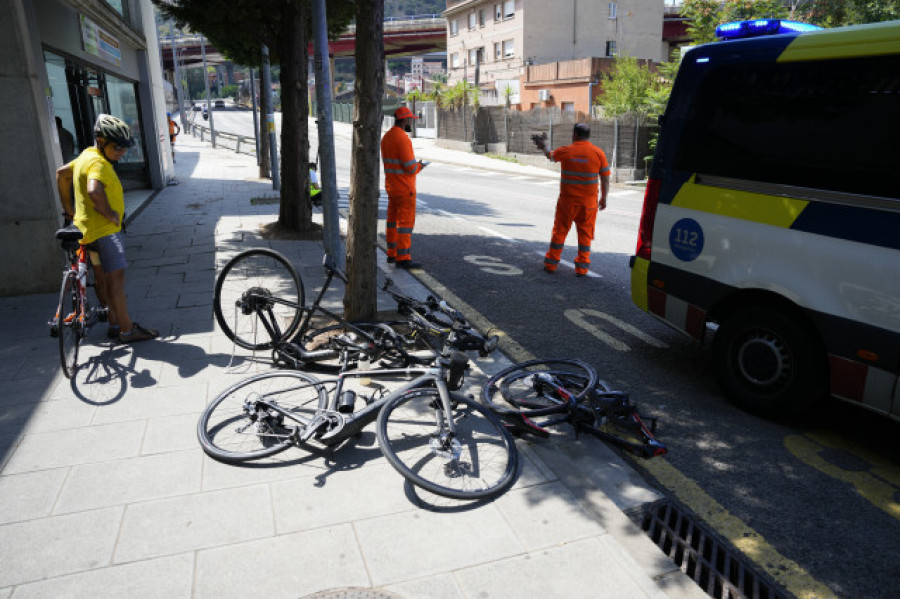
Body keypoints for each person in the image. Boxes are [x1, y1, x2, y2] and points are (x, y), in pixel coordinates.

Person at [55, 114, 159, 343]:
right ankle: (127, 330)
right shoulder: (99, 163)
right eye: (118, 147)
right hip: (105, 232)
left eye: (125, 147)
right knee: (116, 282)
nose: (122, 152)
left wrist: (68, 210)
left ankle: (113, 322)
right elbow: (94, 190)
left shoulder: (86, 155)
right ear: (101, 142)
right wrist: (110, 213)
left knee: (101, 280)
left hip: (85, 230)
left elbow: (62, 174)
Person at [532, 123, 610, 277]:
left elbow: (550, 155)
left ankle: (551, 264)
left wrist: (542, 145)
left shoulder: (566, 151)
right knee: (585, 235)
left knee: (560, 232)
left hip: (567, 203)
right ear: (588, 135)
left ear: (575, 134)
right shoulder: (598, 153)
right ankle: (582, 268)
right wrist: (603, 198)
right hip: (588, 205)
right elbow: (606, 179)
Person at [380, 106, 428, 269]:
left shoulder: (386, 137)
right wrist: (420, 166)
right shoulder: (403, 138)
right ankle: (403, 257)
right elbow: (410, 167)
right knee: (405, 224)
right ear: (404, 120)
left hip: (392, 187)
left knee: (392, 221)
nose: (411, 122)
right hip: (405, 188)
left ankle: (391, 254)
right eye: (410, 120)